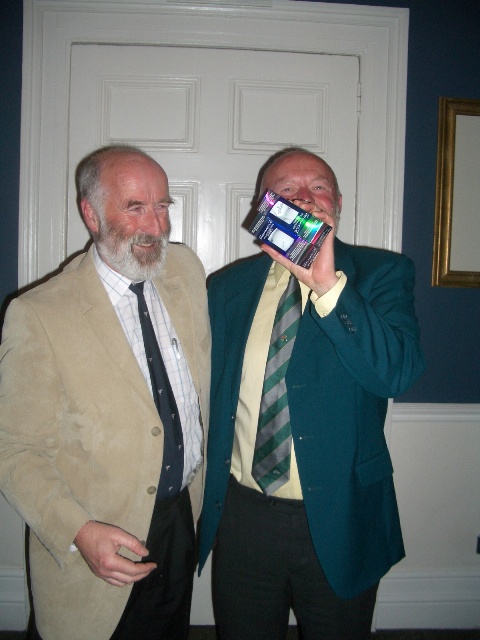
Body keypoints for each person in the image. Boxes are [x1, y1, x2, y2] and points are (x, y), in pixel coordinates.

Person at [198, 148, 425, 640]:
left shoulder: (382, 273)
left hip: (343, 514)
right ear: (264, 206)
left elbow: (397, 374)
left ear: (337, 203)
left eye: (318, 187)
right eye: (286, 190)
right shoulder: (226, 287)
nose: (304, 197)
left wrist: (325, 284)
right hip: (243, 516)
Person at [0, 145, 210, 640]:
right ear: (91, 215)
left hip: (180, 517)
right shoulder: (39, 315)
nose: (156, 226)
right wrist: (78, 531)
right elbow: (13, 449)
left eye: (162, 206)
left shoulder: (185, 271)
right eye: (135, 207)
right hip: (95, 532)